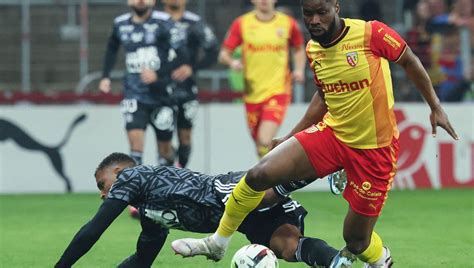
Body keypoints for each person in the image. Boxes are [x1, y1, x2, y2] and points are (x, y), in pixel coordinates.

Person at [172, 0, 459, 267]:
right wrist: (292, 136)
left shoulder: (370, 33)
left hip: (374, 150)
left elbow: (409, 60)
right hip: (332, 135)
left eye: (321, 11)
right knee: (259, 174)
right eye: (308, 14)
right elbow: (323, 96)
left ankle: (380, 258)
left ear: (336, 6)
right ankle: (217, 243)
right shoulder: (313, 48)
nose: (314, 20)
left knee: (356, 241)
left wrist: (435, 106)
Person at [55, 152, 340, 267]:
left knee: (262, 195)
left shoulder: (133, 176)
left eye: (102, 184)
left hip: (224, 191)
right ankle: (339, 263)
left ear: (118, 172)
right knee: (288, 248)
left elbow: (94, 229)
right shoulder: (150, 215)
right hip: (242, 222)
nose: (103, 195)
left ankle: (333, 161)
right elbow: (142, 260)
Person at [219, 0, 306, 158]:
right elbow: (224, 53)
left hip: (278, 90)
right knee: (260, 145)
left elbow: (299, 48)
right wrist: (233, 62)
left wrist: (299, 70)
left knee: (264, 139)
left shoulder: (288, 23)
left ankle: (271, 178)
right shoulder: (242, 23)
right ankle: (269, 179)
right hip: (252, 93)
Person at [98, 0, 181, 167]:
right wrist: (105, 76)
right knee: (135, 147)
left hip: (162, 94)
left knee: (165, 150)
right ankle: (138, 190)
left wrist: (158, 74)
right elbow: (111, 49)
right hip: (133, 93)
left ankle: (172, 161)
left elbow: (181, 55)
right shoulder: (120, 24)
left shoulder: (164, 21)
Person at [161, 0, 219, 168]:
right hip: (158, 90)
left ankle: (180, 174)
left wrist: (193, 68)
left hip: (186, 88)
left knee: (185, 136)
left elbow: (213, 50)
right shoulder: (155, 22)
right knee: (163, 139)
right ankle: (168, 168)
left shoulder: (194, 22)